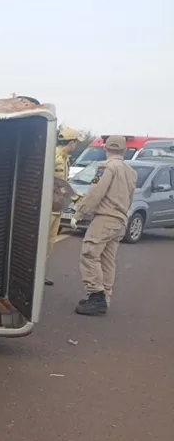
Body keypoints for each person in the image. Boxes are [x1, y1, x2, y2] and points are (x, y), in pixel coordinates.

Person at [71, 135, 137, 316]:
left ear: (105, 148)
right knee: (107, 260)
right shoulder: (131, 171)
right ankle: (104, 297)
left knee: (89, 254)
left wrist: (79, 213)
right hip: (120, 219)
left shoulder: (106, 167)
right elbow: (131, 198)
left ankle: (96, 295)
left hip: (105, 217)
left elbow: (95, 193)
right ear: (124, 150)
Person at [47, 127, 81, 286]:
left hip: (57, 207)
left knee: (51, 242)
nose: (75, 145)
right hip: (47, 207)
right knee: (43, 242)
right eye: (75, 142)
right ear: (72, 142)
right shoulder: (53, 156)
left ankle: (41, 273)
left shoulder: (65, 158)